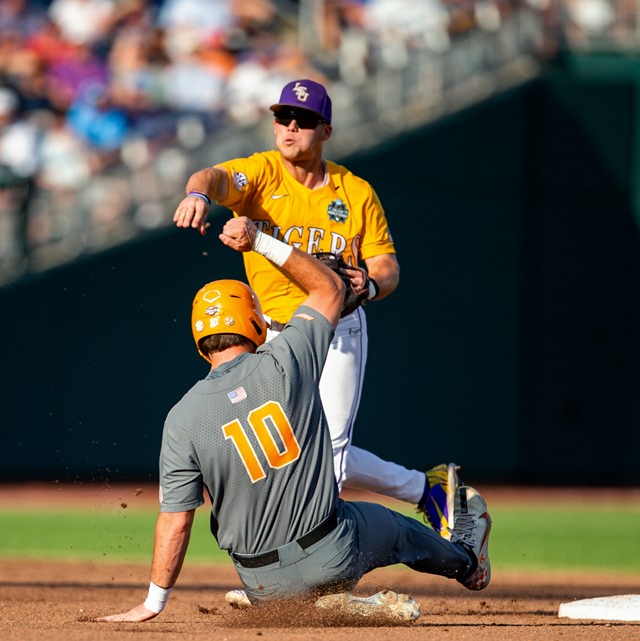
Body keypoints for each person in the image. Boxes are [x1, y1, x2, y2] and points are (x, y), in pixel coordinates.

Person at [95, 217, 491, 623]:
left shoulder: (180, 417)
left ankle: (310, 600)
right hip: (331, 554)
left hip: (259, 583)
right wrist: (261, 242)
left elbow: (176, 522)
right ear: (255, 323)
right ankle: (467, 563)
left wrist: (153, 602)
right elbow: (330, 287)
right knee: (396, 529)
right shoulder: (288, 359)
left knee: (298, 550)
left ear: (200, 341)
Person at [171, 78, 459, 542]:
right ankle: (426, 490)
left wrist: (370, 285)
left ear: (325, 130)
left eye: (303, 120)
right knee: (284, 447)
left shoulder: (355, 192)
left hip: (337, 329)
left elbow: (387, 267)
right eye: (282, 117)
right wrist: (198, 196)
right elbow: (214, 177)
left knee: (330, 460)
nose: (289, 126)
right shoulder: (261, 174)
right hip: (273, 332)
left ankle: (302, 566)